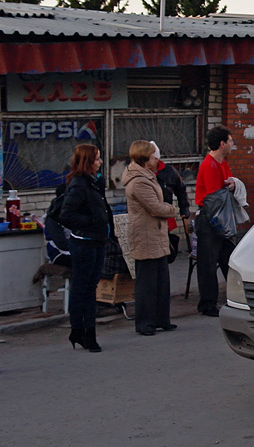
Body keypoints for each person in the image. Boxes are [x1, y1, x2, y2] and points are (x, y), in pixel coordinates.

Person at [59, 143, 114, 352]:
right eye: (97, 159)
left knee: (91, 288)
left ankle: (89, 332)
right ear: (88, 162)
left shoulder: (93, 182)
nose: (100, 162)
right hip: (84, 243)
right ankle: (79, 330)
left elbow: (102, 207)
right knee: (81, 288)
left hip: (97, 240)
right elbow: (67, 215)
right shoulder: (79, 184)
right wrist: (91, 221)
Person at [123, 140, 179, 336]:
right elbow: (155, 207)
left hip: (156, 233)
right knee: (147, 282)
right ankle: (145, 322)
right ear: (145, 157)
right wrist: (173, 210)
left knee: (161, 280)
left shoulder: (147, 176)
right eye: (153, 155)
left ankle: (162, 319)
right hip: (145, 234)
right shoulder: (138, 181)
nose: (156, 159)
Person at [194, 126, 235, 316]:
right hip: (211, 218)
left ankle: (236, 295)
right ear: (222, 144)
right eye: (230, 141)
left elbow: (226, 185)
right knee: (208, 263)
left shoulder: (222, 163)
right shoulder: (209, 165)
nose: (232, 145)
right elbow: (213, 198)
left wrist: (233, 185)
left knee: (229, 258)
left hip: (221, 216)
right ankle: (207, 303)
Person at [150, 142, 191, 265]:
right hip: (150, 217)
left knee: (165, 245)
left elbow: (181, 190)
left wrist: (184, 209)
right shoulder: (143, 173)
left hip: (165, 214)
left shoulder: (168, 172)